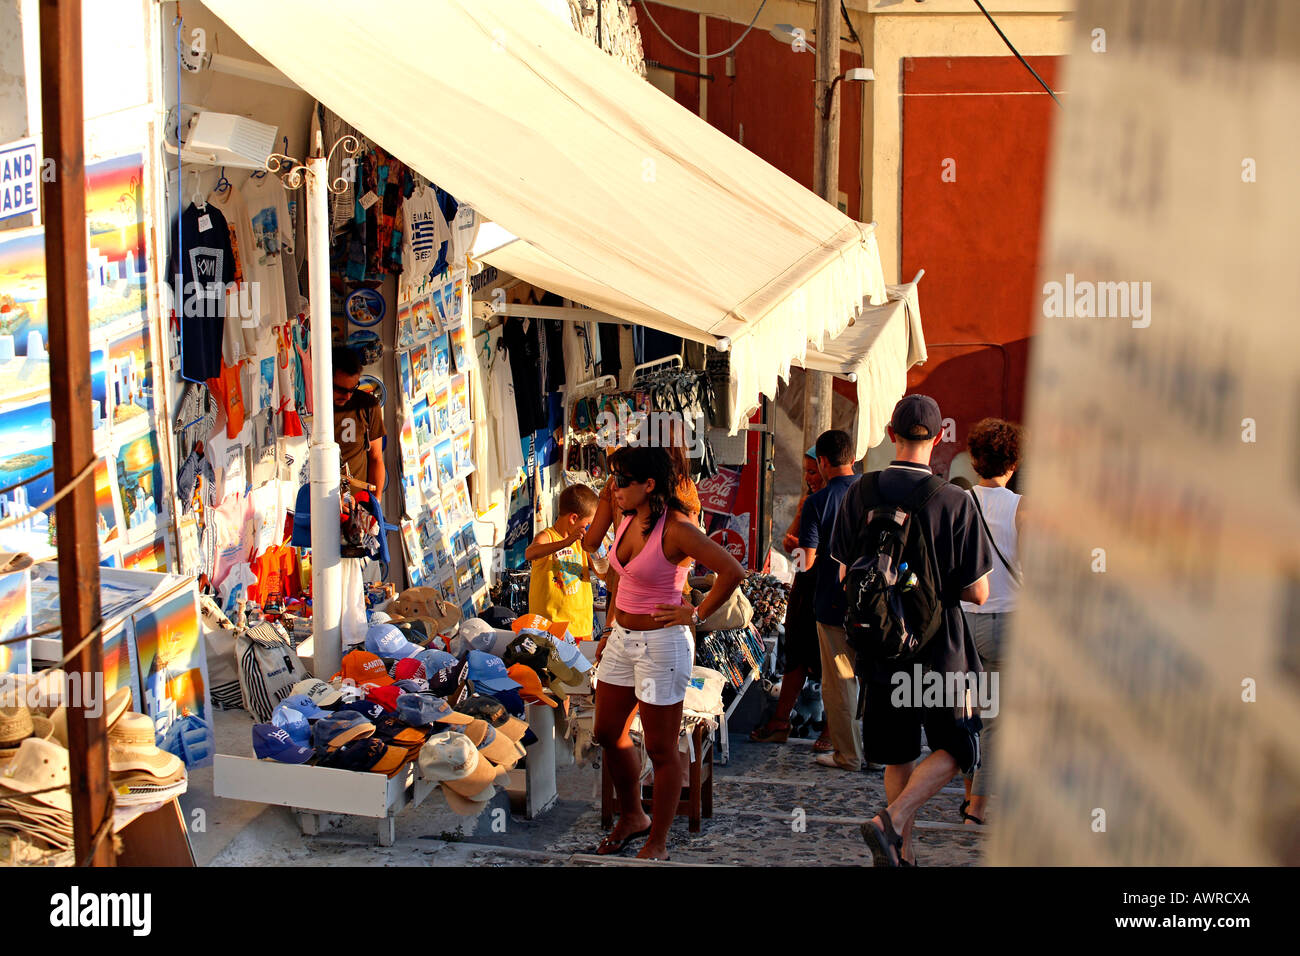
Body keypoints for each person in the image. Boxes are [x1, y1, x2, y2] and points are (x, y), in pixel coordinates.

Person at [831, 395, 993, 866]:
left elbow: (844, 576)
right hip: (940, 645)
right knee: (961, 743)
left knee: (897, 750)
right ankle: (893, 821)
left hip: (880, 643)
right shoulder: (955, 501)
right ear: (939, 436)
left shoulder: (860, 492)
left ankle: (901, 849)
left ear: (889, 432)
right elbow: (979, 593)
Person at [592, 445, 745, 861]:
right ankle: (632, 816)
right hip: (622, 638)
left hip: (663, 645)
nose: (614, 488)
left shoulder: (677, 528)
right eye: (612, 478)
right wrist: (609, 627)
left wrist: (694, 614)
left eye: (622, 481)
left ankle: (656, 840)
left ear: (649, 484)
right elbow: (618, 582)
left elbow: (733, 571)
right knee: (606, 732)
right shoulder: (626, 517)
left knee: (661, 749)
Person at [957, 418, 1023, 826]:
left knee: (965, 715)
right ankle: (978, 809)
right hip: (1005, 621)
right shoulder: (1023, 507)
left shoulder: (957, 502)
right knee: (996, 723)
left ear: (975, 460)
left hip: (962, 621)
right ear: (1013, 463)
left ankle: (967, 794)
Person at [796, 429, 863, 771]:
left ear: (822, 462)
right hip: (877, 605)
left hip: (834, 604)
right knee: (872, 680)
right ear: (853, 458)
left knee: (839, 683)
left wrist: (791, 547)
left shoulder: (817, 502)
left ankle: (849, 755)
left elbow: (805, 562)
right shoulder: (874, 492)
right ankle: (880, 753)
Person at [751, 447, 827, 745]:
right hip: (804, 585)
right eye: (806, 472)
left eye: (813, 472)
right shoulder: (809, 502)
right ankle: (781, 720)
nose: (809, 479)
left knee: (830, 664)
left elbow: (806, 552)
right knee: (795, 655)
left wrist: (806, 550)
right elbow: (791, 542)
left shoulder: (839, 499)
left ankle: (831, 730)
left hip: (826, 587)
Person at [525, 484, 602, 640]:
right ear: (574, 518)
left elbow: (603, 573)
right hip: (551, 629)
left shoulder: (582, 542)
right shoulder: (547, 537)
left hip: (581, 628)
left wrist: (598, 548)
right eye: (588, 524)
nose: (589, 528)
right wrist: (566, 542)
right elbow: (530, 553)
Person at [332, 345, 385, 492]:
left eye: (352, 389)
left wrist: (376, 503)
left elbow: (376, 458)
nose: (348, 396)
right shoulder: (312, 407)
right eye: (341, 390)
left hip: (356, 504)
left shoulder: (368, 406)